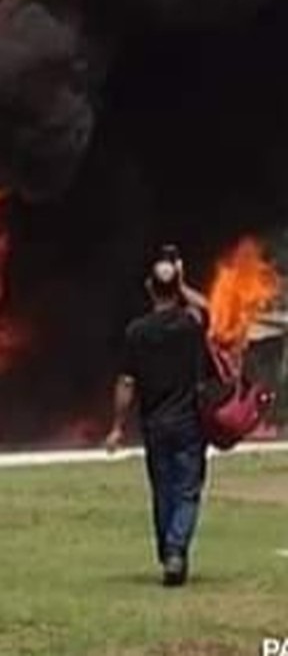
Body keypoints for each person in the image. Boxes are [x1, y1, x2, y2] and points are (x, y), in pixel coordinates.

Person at [105, 245, 212, 587]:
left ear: (150, 288)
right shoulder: (190, 325)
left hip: (154, 424)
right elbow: (206, 308)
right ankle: (177, 550)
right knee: (187, 491)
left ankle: (170, 552)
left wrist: (117, 428)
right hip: (189, 424)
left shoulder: (137, 331)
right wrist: (181, 283)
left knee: (163, 490)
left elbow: (126, 382)